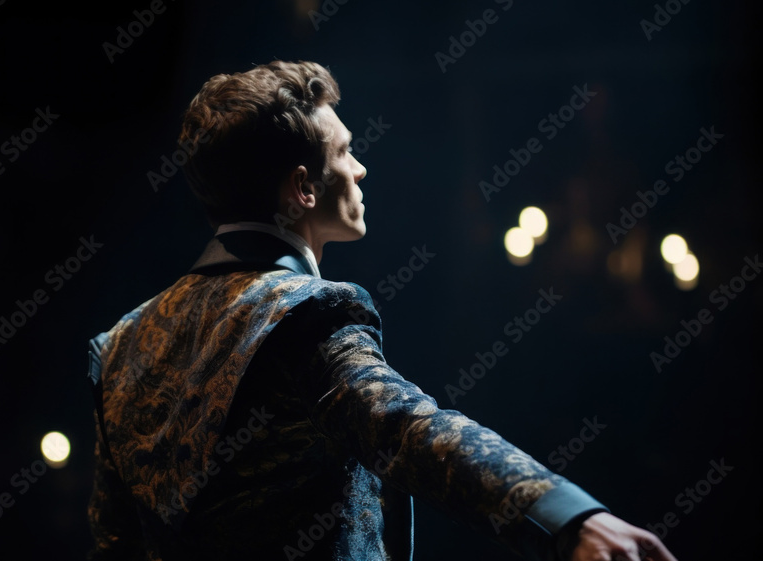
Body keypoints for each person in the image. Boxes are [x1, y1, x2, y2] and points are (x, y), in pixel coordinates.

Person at [86, 60, 678, 561]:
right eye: (344, 150)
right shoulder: (305, 313)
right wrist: (569, 515)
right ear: (304, 188)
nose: (360, 166)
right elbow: (407, 427)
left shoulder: (120, 342)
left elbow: (112, 542)